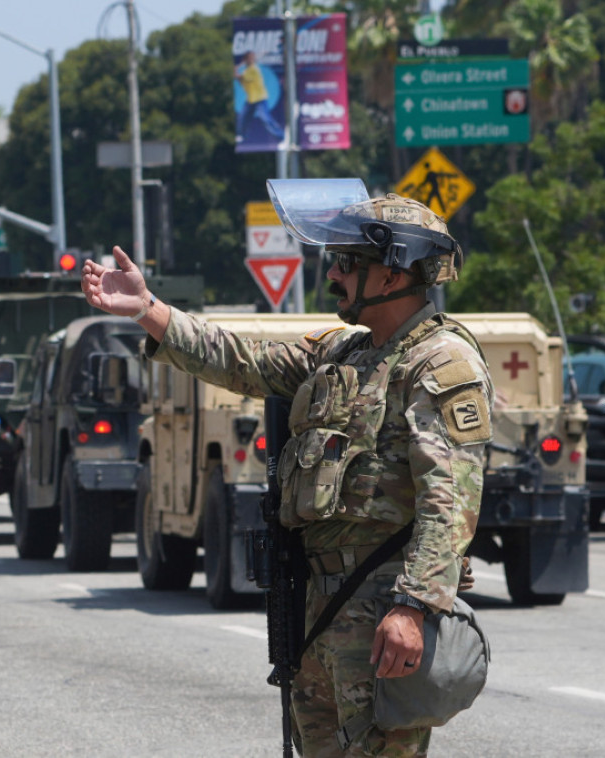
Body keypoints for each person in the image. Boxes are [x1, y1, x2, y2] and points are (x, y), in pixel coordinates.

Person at [81, 180, 492, 757]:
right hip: (321, 603)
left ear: (393, 275)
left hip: (382, 605)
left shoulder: (440, 362)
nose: (334, 276)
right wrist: (149, 311)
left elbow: (450, 501)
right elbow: (241, 361)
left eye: (347, 262)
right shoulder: (346, 353)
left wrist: (415, 606)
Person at [234, 51, 284, 143]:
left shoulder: (253, 69)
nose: (252, 59)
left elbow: (239, 76)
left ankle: (280, 135)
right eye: (249, 58)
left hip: (260, 98)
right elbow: (238, 78)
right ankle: (241, 135)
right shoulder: (247, 70)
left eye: (252, 57)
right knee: (242, 118)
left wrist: (237, 68)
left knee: (266, 119)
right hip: (251, 99)